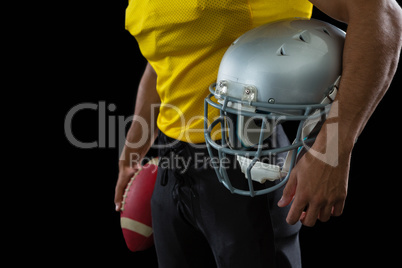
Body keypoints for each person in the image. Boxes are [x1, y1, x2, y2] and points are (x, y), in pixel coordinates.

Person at [115, 0, 402, 267]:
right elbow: (166, 57)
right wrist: (133, 150)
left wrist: (331, 151)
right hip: (172, 165)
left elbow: (380, 13)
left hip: (247, 165)